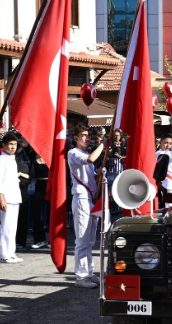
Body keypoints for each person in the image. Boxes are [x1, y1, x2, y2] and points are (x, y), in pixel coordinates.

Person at [67, 123, 105, 288]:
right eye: (84, 135)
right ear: (76, 138)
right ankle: (81, 277)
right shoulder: (73, 153)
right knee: (82, 239)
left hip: (91, 198)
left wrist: (98, 175)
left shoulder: (86, 154)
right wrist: (104, 144)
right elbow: (90, 159)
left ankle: (89, 272)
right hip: (81, 198)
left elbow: (91, 178)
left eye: (88, 135)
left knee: (90, 239)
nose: (87, 138)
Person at [0, 132, 23, 264]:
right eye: (10, 144)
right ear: (4, 145)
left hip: (14, 196)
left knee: (12, 227)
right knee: (5, 226)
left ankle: (11, 252)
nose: (13, 147)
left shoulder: (12, 159)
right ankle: (4, 253)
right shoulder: (1, 160)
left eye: (15, 144)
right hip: (6, 197)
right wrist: (1, 198)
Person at [30, 153, 50, 249]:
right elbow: (31, 175)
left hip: (50, 187)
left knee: (51, 214)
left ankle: (52, 240)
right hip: (38, 186)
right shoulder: (34, 160)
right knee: (37, 214)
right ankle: (39, 240)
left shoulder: (50, 158)